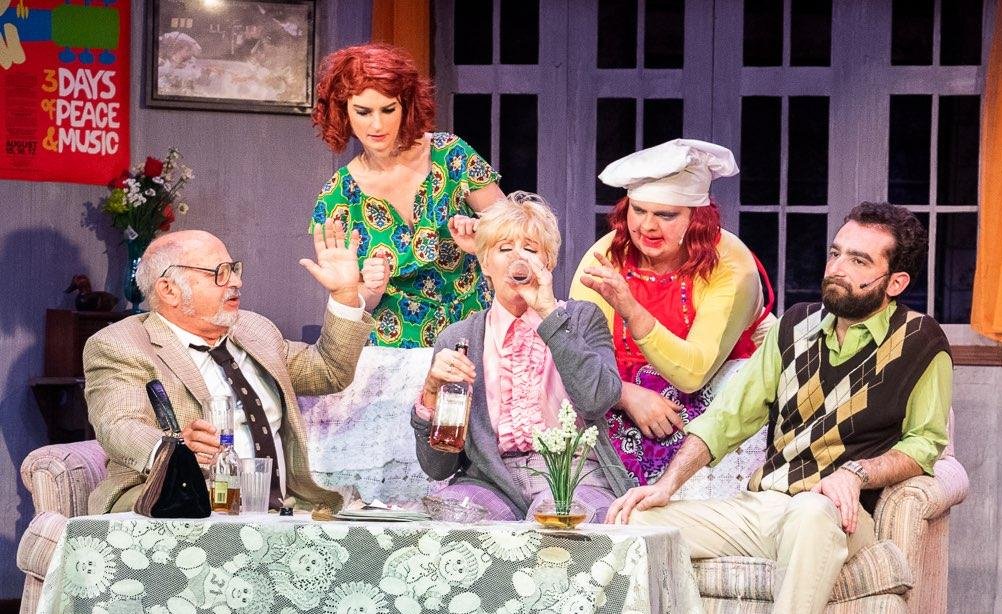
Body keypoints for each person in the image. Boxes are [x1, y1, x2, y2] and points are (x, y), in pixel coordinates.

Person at [606, 202, 952, 614]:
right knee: (634, 523)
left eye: (858, 261)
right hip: (763, 507)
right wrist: (667, 485)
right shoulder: (793, 325)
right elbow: (727, 417)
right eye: (836, 253)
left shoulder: (921, 341)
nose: (837, 268)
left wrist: (855, 473)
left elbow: (924, 443)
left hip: (838, 515)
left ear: (895, 282)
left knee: (811, 510)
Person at [85, 221, 374, 514]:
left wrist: (345, 295)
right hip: (178, 505)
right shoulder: (121, 344)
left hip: (277, 513)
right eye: (219, 273)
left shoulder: (255, 329)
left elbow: (329, 371)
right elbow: (118, 424)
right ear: (169, 290)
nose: (236, 282)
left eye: (234, 269)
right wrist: (174, 450)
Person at [410, 192, 634, 521]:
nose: (519, 258)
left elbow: (596, 400)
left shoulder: (583, 318)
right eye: (504, 249)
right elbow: (438, 467)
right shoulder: (457, 338)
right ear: (485, 263)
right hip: (492, 481)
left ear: (548, 262)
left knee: (558, 525)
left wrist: (547, 312)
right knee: (448, 523)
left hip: (576, 476)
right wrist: (431, 393)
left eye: (530, 249)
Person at [570, 138, 773, 486]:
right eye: (638, 211)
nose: (648, 226)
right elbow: (575, 356)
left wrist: (631, 308)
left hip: (715, 412)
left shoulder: (731, 266)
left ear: (698, 219)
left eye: (666, 215)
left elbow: (693, 373)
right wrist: (625, 395)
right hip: (619, 408)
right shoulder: (606, 256)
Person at [310, 42, 505, 348]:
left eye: (388, 109)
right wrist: (370, 289)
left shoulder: (450, 154)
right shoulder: (338, 196)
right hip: (394, 352)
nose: (377, 124)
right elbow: (349, 300)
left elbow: (517, 236)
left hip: (474, 335)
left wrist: (484, 237)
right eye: (363, 112)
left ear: (406, 105)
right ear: (343, 111)